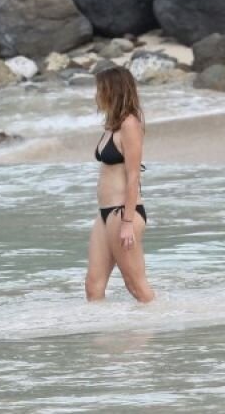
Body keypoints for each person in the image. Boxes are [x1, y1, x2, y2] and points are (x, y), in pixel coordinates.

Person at [85, 66, 155, 303]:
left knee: (135, 284)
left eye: (100, 88)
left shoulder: (130, 124)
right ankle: (99, 326)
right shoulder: (111, 125)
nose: (96, 94)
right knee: (93, 286)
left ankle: (160, 321)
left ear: (112, 90)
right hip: (105, 213)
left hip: (123, 212)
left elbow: (133, 176)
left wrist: (127, 222)